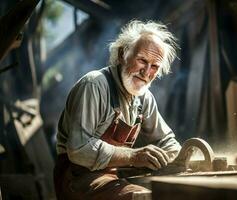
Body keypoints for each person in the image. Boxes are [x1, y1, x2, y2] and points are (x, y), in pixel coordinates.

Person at [53, 20, 181, 200]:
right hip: (77, 179)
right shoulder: (94, 84)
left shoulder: (144, 98)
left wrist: (176, 157)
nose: (146, 73)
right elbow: (78, 149)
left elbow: (167, 140)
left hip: (113, 176)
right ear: (123, 54)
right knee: (142, 198)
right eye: (142, 60)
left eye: (154, 67)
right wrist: (134, 156)